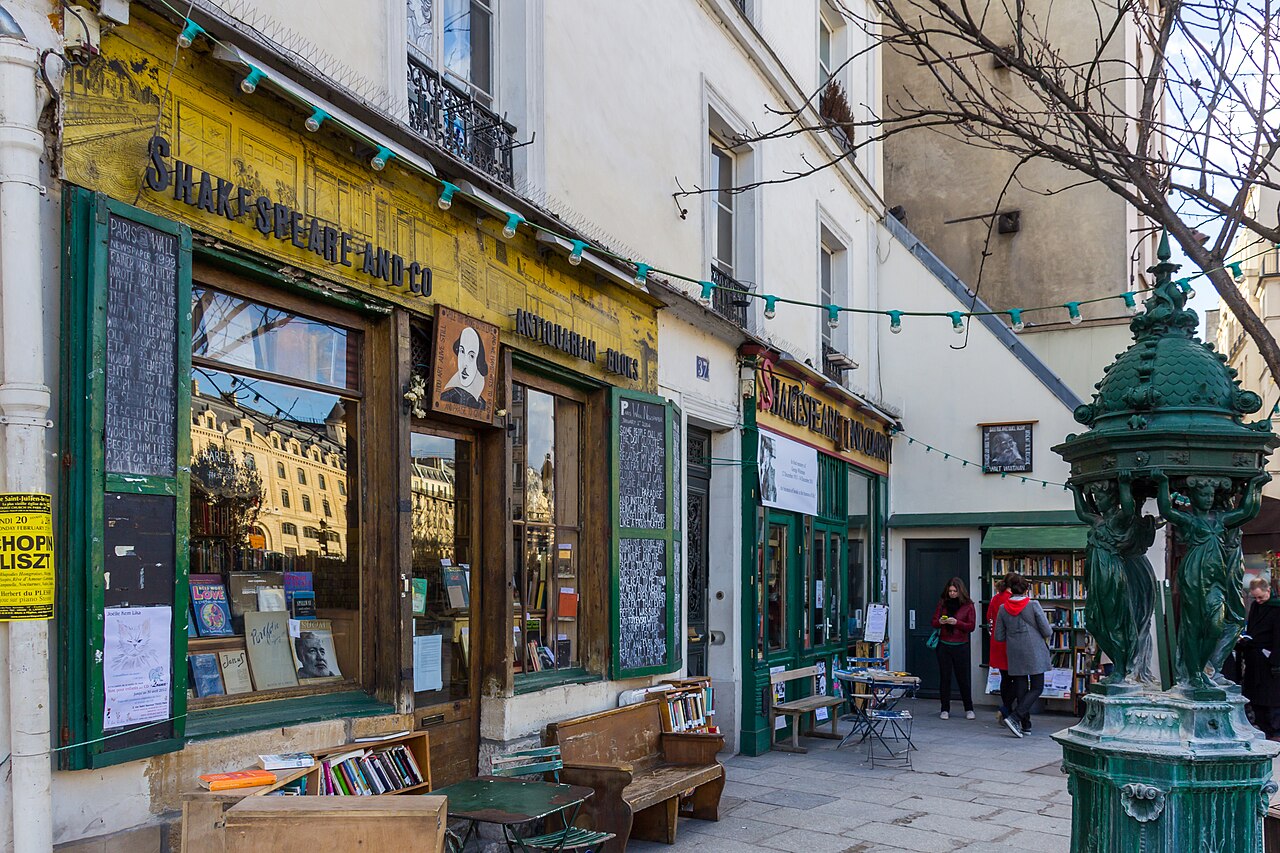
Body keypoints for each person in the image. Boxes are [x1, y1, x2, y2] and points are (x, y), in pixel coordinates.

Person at [995, 574, 1053, 737]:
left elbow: (999, 636)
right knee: (1037, 687)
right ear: (1026, 589)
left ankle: (1025, 725)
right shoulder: (1033, 605)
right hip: (1034, 650)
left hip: (1014, 652)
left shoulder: (1002, 608)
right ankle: (1015, 717)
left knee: (1021, 688)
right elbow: (1047, 630)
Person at [1239, 579, 1280, 738]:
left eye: (1261, 597)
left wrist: (1276, 662)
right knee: (1256, 696)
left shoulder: (1277, 609)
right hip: (1255, 657)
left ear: (1268, 591)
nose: (1258, 601)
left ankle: (1275, 730)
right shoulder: (1256, 606)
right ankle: (1263, 727)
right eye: (1255, 598)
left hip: (1269, 657)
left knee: (1272, 699)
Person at [931, 577, 977, 720]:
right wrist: (940, 622)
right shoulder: (942, 603)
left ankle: (969, 708)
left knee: (963, 678)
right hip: (944, 644)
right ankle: (944, 709)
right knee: (945, 677)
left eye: (955, 591)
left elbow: (971, 626)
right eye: (950, 591)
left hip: (960, 645)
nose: (952, 594)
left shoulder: (968, 605)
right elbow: (933, 622)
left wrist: (957, 623)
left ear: (960, 591)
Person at [987, 574, 1017, 721]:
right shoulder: (1010, 600)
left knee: (1005, 678)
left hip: (997, 642)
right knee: (1017, 679)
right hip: (1010, 643)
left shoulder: (995, 598)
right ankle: (1007, 709)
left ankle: (1007, 709)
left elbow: (989, 618)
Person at [440, 326, 488, 409]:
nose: (464, 365)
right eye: (462, 351)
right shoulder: (444, 398)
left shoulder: (483, 406)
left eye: (471, 356)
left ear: (479, 361)